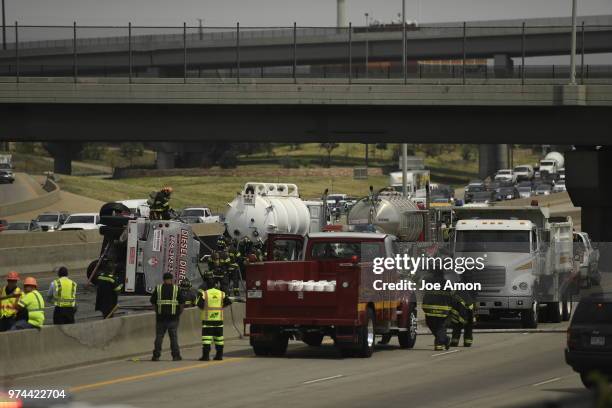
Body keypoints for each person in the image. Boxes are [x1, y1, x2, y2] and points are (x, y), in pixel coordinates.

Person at [150, 273, 185, 361]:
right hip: (173, 318)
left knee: (159, 336)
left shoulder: (158, 288)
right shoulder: (176, 289)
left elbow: (153, 302)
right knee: (173, 337)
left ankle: (156, 356)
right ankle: (176, 356)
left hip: (160, 318)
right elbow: (181, 303)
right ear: (171, 279)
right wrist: (178, 313)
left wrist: (157, 312)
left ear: (163, 279)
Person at [196, 281, 232, 361]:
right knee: (219, 339)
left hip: (207, 320)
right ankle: (219, 356)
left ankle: (206, 356)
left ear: (207, 286)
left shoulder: (205, 294)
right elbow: (229, 302)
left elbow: (199, 304)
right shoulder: (221, 293)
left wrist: (205, 309)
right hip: (218, 320)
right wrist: (221, 306)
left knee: (206, 339)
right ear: (215, 285)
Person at [421, 269, 454, 351]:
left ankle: (440, 343)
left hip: (431, 308)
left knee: (433, 325)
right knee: (440, 327)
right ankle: (444, 340)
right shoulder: (446, 282)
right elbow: (451, 296)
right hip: (441, 309)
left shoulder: (428, 281)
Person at [450, 272, 477, 347]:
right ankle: (467, 342)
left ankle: (454, 342)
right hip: (469, 309)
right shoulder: (473, 284)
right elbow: (475, 296)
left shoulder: (458, 284)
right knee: (468, 327)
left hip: (458, 309)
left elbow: (454, 295)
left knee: (457, 327)